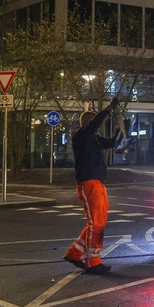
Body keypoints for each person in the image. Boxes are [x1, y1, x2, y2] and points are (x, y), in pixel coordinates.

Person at [63, 97, 119, 275]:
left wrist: (121, 130)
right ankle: (93, 262)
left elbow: (111, 143)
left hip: (97, 182)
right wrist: (108, 109)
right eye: (93, 122)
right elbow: (95, 124)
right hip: (88, 183)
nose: (96, 126)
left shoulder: (93, 138)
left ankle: (75, 253)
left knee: (98, 222)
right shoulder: (81, 136)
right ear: (86, 123)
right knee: (96, 223)